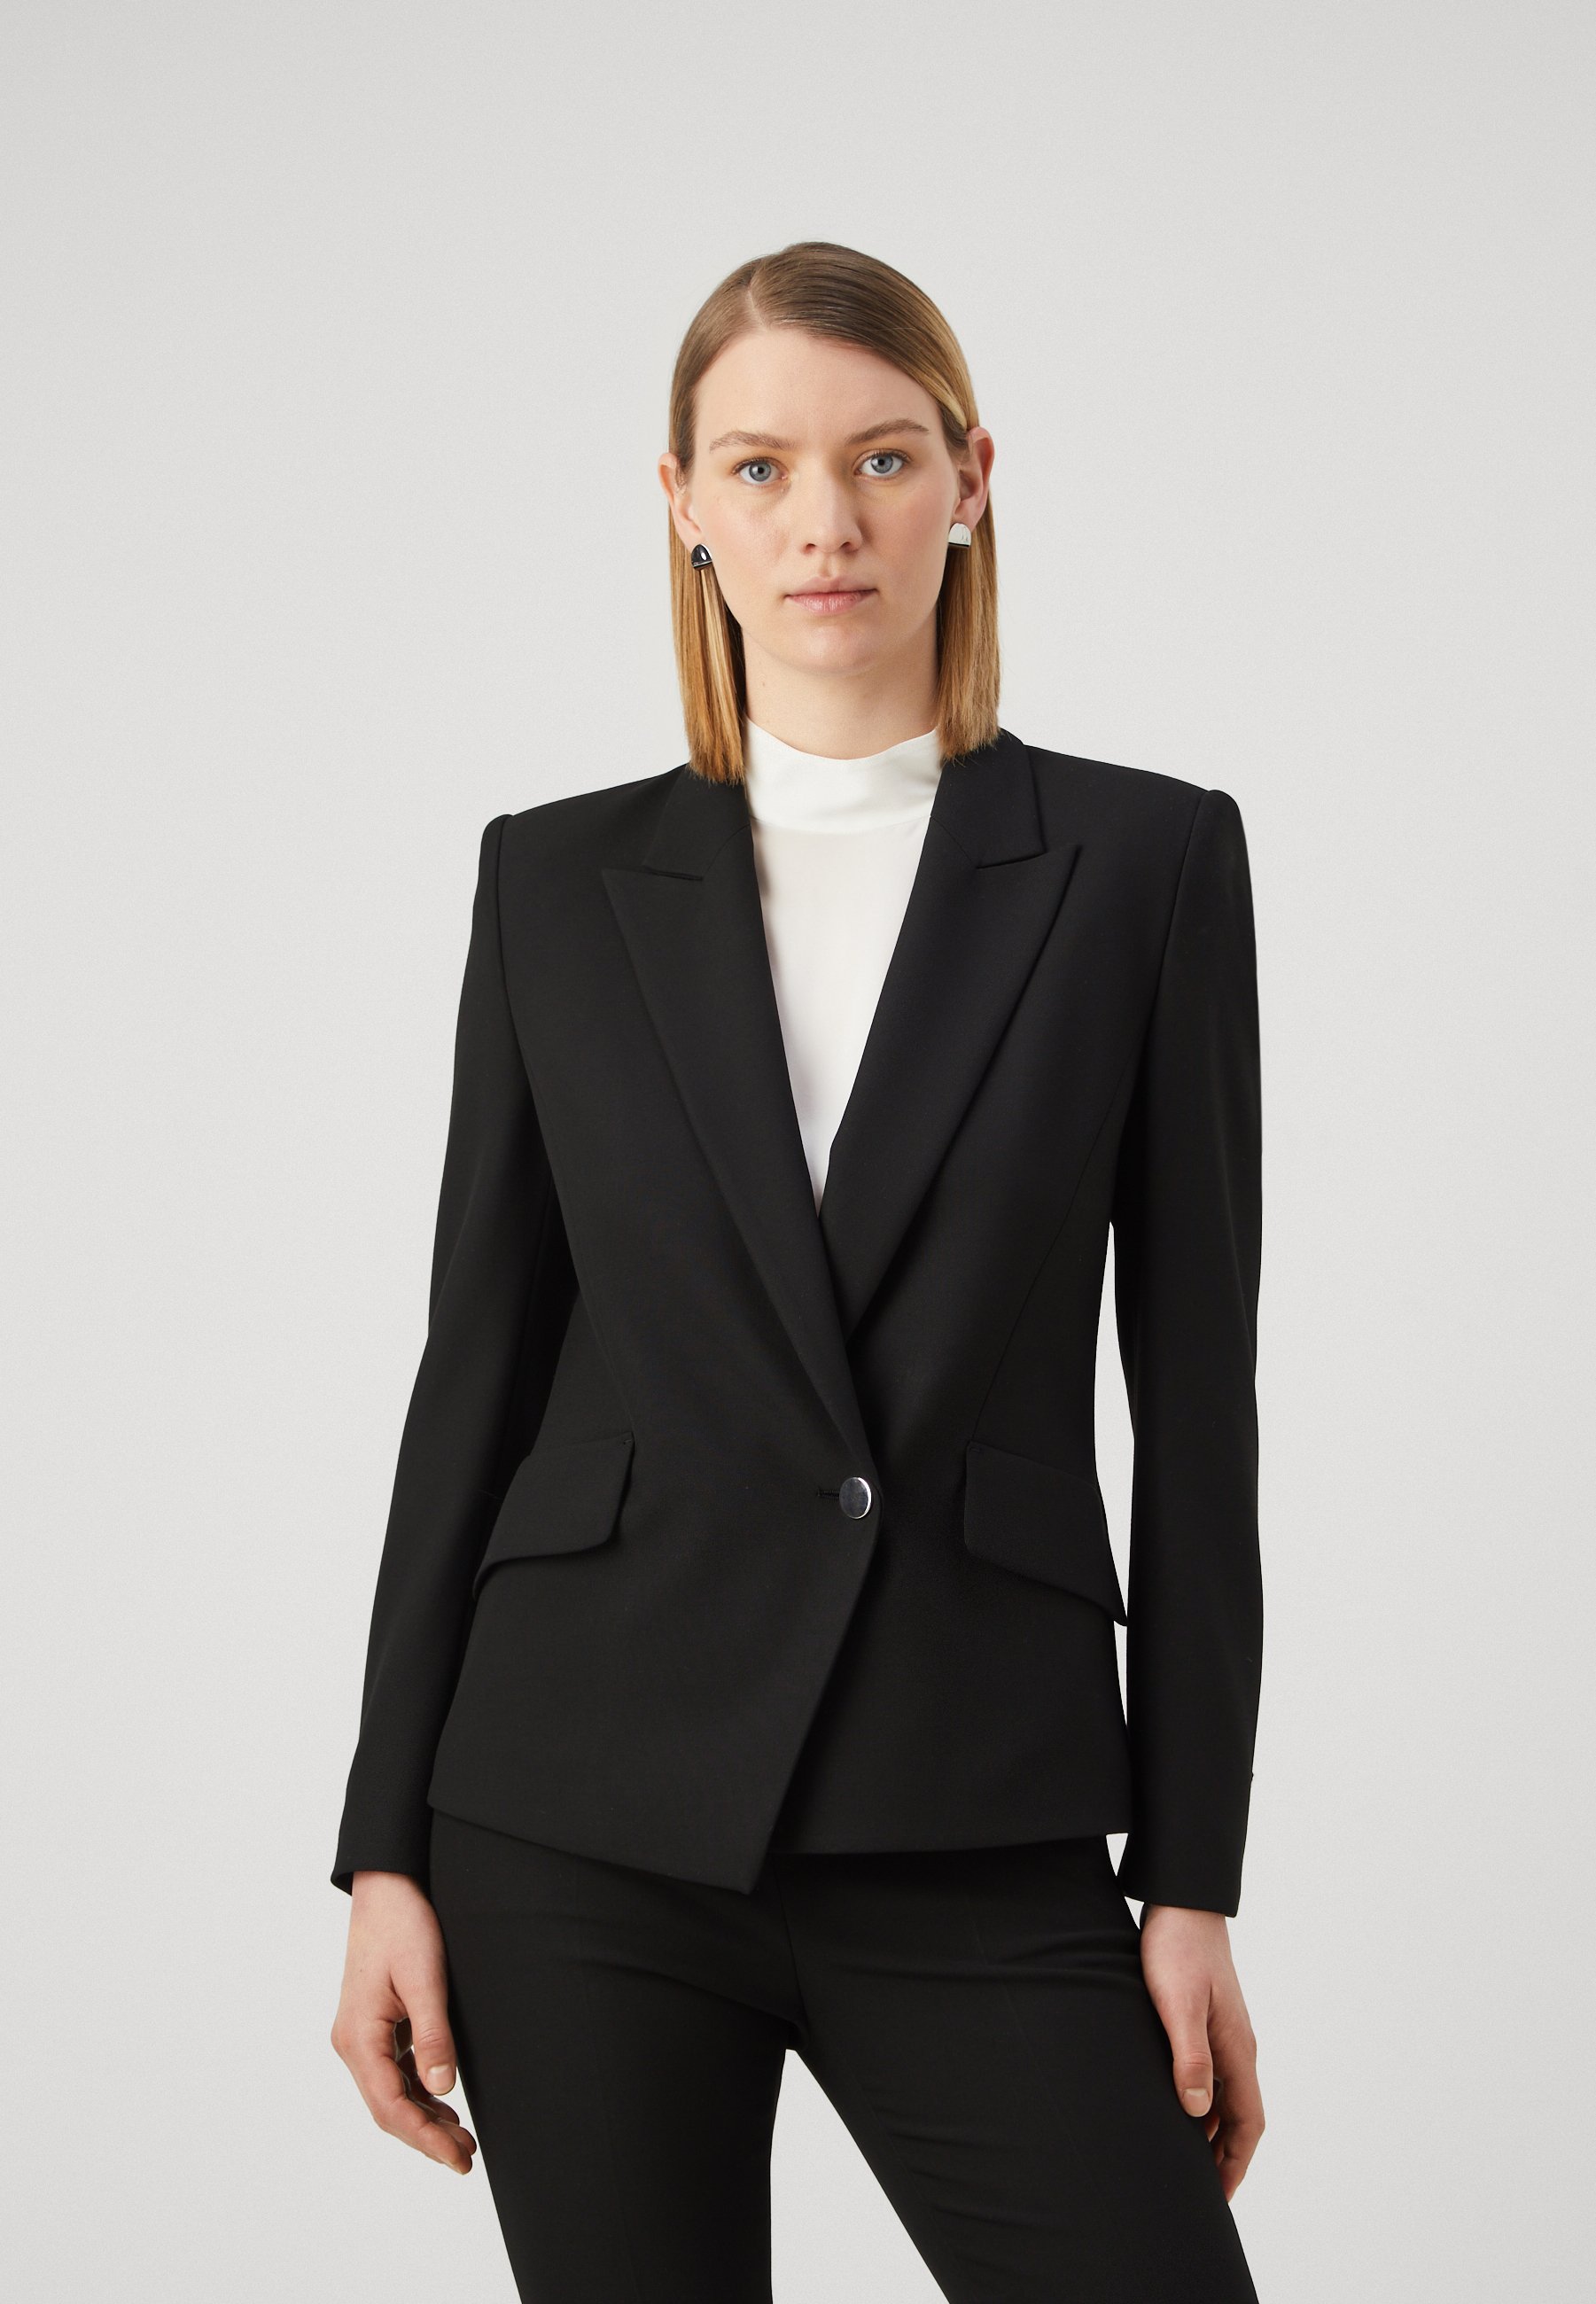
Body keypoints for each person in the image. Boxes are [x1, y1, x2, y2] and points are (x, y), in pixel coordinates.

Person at [330, 239, 1266, 2301]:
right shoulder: (554, 878)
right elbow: (477, 1369)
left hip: (974, 1798)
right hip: (573, 1817)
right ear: (681, 503)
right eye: (757, 467)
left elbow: (1198, 1401)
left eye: (880, 456)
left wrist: (1190, 1877)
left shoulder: (1144, 863)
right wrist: (383, 1843)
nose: (822, 519)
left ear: (970, 478)